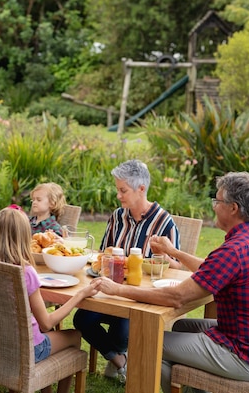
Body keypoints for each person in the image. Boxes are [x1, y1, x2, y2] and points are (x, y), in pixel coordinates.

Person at [96, 171, 249, 393]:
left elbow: (176, 297)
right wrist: (173, 251)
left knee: (147, 342)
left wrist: (119, 289)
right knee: (180, 326)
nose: (214, 206)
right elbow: (211, 267)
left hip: (244, 355)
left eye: (217, 201)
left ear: (233, 208)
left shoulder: (235, 251)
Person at [73, 159, 180, 383]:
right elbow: (102, 254)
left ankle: (117, 358)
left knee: (123, 326)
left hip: (140, 298)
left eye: (123, 190)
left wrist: (165, 257)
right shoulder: (117, 217)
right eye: (117, 190)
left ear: (141, 189)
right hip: (110, 291)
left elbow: (176, 269)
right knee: (81, 318)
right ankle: (121, 361)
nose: (119, 195)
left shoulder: (164, 222)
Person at [0, 208, 99, 393]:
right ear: (24, 237)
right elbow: (46, 324)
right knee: (75, 336)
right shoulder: (25, 272)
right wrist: (79, 295)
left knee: (41, 331)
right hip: (29, 348)